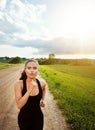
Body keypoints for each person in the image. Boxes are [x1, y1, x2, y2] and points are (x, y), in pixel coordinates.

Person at [14, 59, 46, 130]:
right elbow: (19, 105)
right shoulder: (19, 84)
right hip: (24, 119)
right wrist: (29, 90)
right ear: (25, 70)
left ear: (38, 70)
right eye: (29, 68)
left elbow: (44, 89)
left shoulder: (42, 83)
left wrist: (42, 99)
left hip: (38, 118)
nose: (32, 70)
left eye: (34, 68)